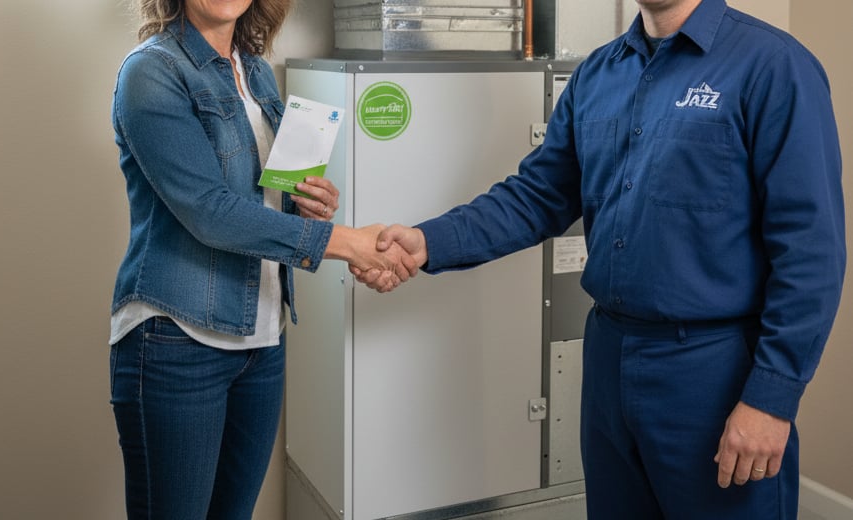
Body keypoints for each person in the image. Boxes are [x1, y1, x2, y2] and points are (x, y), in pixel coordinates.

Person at [355, 0, 846, 518]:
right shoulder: (599, 72)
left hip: (714, 370)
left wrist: (771, 398)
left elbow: (811, 253)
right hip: (610, 361)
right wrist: (427, 242)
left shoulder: (773, 66)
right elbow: (538, 195)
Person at [108, 0, 415, 518]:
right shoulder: (151, 71)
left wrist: (309, 207)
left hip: (262, 340)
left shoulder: (256, 72)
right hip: (178, 343)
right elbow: (211, 213)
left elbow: (261, 205)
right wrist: (350, 244)